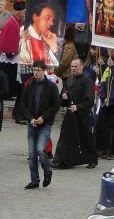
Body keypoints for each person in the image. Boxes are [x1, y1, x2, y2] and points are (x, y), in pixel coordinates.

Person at [15, 61, 60, 189]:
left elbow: (56, 105)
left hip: (45, 124)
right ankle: (34, 180)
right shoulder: (29, 85)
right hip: (32, 123)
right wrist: (30, 118)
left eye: (38, 70)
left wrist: (43, 117)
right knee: (31, 154)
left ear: (44, 71)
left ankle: (47, 170)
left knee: (40, 149)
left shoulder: (51, 86)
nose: (36, 72)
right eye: (34, 69)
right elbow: (23, 103)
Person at [54, 58, 98, 169]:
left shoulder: (87, 80)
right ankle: (62, 160)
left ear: (82, 67)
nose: (73, 69)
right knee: (65, 136)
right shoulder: (69, 80)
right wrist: (64, 97)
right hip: (70, 113)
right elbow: (65, 97)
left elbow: (90, 99)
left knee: (85, 136)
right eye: (72, 67)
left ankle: (92, 159)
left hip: (82, 114)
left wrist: (78, 107)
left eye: (76, 66)